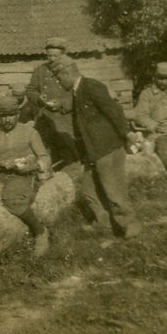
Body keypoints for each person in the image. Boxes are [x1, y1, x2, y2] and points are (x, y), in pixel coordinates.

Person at [54, 56, 141, 238]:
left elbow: (114, 110)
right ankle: (104, 223)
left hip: (107, 148)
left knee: (114, 191)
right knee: (88, 189)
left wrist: (127, 134)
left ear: (67, 73)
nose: (58, 81)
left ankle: (130, 226)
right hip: (93, 151)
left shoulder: (91, 86)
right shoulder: (77, 92)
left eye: (58, 77)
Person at [0, 94, 55, 256]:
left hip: (24, 177)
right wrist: (0, 163)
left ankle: (40, 231)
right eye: (3, 116)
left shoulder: (30, 133)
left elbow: (45, 158)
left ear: (17, 115)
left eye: (11, 115)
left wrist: (31, 165)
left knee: (12, 198)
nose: (7, 120)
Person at [23, 37, 79, 166]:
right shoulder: (40, 70)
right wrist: (38, 98)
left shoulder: (71, 71)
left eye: (55, 56)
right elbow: (31, 90)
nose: (52, 59)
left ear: (63, 55)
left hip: (64, 119)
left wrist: (62, 103)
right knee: (42, 150)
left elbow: (78, 95)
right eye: (49, 56)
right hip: (44, 118)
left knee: (69, 152)